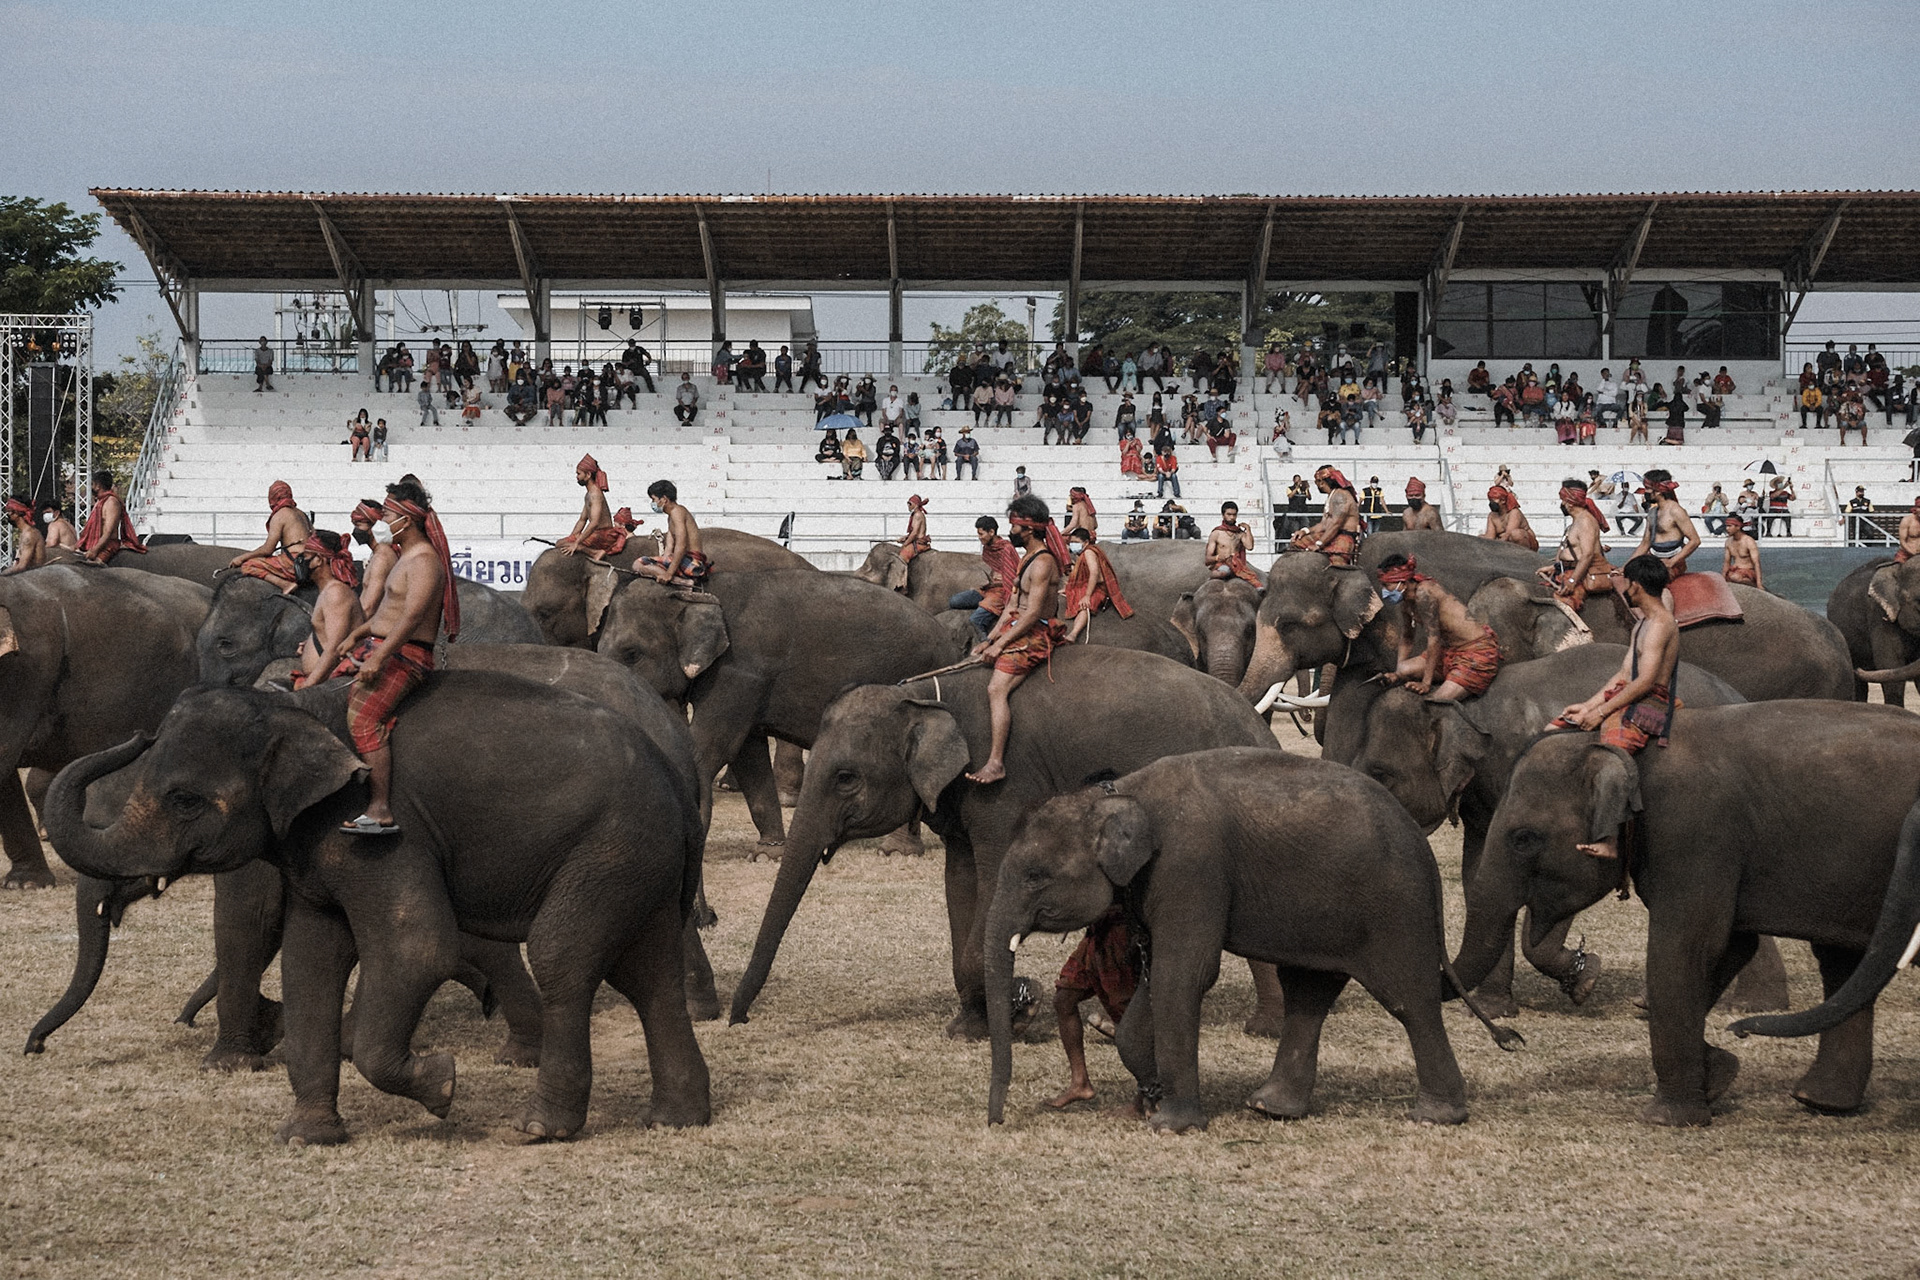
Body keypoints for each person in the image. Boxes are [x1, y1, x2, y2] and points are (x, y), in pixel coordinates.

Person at [333, 478, 459, 837]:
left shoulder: (423, 561)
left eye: (388, 514)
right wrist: (358, 635)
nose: (383, 520)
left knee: (363, 720)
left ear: (407, 518)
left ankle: (380, 808)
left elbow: (412, 617)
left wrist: (378, 657)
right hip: (386, 647)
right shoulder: (406, 557)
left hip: (405, 656)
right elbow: (390, 610)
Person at [1545, 555, 1681, 859]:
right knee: (1554, 727)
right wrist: (1587, 705)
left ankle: (1609, 839)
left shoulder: (1660, 625)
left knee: (1611, 760)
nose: (1623, 587)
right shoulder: (1642, 624)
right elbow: (1623, 674)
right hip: (1628, 692)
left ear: (1636, 585)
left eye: (1625, 581)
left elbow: (1645, 681)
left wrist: (1602, 713)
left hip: (1649, 702)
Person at [964, 495, 1066, 785]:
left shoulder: (1044, 562)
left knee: (996, 689)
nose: (1011, 532)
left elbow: (1032, 613)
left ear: (1029, 529)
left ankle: (996, 763)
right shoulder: (1026, 558)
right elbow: (1011, 605)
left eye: (1014, 527)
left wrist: (999, 645)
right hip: (1015, 625)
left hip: (1035, 632)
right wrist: (990, 639)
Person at [1044, 902, 1141, 1112]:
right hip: (1097, 933)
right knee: (1064, 999)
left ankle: (1148, 1095)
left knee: (1130, 1018)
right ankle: (1080, 1083)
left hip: (1120, 931)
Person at [1376, 555, 1501, 702]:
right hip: (1449, 652)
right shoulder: (1406, 602)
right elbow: (1407, 637)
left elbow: (1434, 640)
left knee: (1439, 699)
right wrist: (1398, 674)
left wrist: (1425, 683)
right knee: (1404, 670)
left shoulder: (1424, 593)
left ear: (1401, 582)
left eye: (1386, 585)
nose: (1383, 590)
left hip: (1476, 652)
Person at [292, 530, 365, 688]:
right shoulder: (327, 591)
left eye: (305, 555)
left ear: (318, 559)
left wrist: (307, 687)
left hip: (327, 684)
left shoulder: (336, 593)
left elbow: (334, 647)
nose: (301, 561)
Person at [1539, 479, 1613, 611]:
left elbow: (1587, 554)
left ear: (1570, 502)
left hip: (1580, 575)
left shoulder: (1585, 522)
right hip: (1567, 569)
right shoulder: (1578, 521)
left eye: (1563, 500)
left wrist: (1572, 581)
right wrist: (1553, 567)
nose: (1562, 504)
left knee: (1563, 605)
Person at [227, 481, 313, 588]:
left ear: (272, 498)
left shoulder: (280, 515)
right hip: (310, 560)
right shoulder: (302, 514)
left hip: (292, 562)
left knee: (249, 565)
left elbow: (268, 549)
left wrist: (242, 558)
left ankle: (285, 585)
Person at [947, 515, 1022, 635]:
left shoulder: (1006, 548)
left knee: (975, 620)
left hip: (1001, 592)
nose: (979, 537)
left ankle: (984, 644)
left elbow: (1012, 576)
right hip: (989, 590)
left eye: (981, 534)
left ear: (991, 532)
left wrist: (1001, 584)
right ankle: (984, 607)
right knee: (954, 601)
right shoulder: (988, 548)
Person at [557, 454, 638, 562]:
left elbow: (594, 522)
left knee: (566, 543)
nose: (577, 476)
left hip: (604, 535)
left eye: (579, 473)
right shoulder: (589, 494)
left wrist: (577, 544)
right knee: (560, 543)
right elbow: (582, 520)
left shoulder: (595, 494)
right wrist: (573, 536)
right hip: (597, 533)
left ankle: (595, 552)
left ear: (588, 474)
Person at [1061, 526, 1132, 643]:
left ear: (1086, 542)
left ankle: (1073, 634)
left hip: (1098, 588)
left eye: (1076, 542)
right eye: (1072, 542)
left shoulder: (1089, 552)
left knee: (1084, 606)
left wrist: (1087, 596)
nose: (1073, 545)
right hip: (1087, 584)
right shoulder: (1082, 554)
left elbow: (1094, 573)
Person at [635, 480, 709, 586]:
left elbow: (681, 545)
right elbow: (669, 548)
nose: (653, 503)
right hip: (682, 560)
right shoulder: (671, 516)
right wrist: (663, 563)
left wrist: (669, 573)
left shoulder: (678, 512)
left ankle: (683, 582)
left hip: (692, 563)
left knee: (639, 563)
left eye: (654, 499)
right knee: (641, 565)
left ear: (664, 499)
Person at [1633, 470, 1701, 575]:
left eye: (1647, 488)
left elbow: (1695, 541)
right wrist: (1625, 567)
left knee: (1654, 579)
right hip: (1655, 560)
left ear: (1658, 490)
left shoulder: (1676, 510)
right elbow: (1645, 544)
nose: (1644, 492)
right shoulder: (1652, 512)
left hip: (1672, 564)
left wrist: (1671, 562)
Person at [1291, 466, 1363, 565]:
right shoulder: (1332, 495)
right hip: (1330, 534)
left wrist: (1319, 544)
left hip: (1344, 537)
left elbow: (1335, 525)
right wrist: (1304, 531)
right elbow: (1324, 524)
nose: (1316, 485)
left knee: (1336, 563)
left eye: (1316, 482)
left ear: (1321, 482)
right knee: (1298, 542)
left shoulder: (1341, 495)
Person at [349, 497, 399, 615]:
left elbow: (369, 607)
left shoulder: (381, 558)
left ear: (375, 526)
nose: (355, 530)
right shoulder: (377, 553)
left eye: (359, 524)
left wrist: (353, 631)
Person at [1206, 502, 1261, 586]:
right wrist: (1217, 557)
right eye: (1229, 514)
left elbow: (1249, 546)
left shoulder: (1239, 533)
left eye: (1234, 515)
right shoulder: (1216, 533)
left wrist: (1248, 529)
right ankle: (1210, 577)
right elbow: (1208, 559)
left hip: (1237, 566)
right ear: (1223, 515)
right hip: (1222, 565)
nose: (1232, 517)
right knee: (1222, 573)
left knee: (1256, 581)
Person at [1482, 485, 1538, 552]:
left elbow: (1508, 535)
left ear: (1503, 500)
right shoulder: (1492, 516)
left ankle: (1523, 556)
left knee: (1516, 534)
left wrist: (1497, 545)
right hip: (1503, 544)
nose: (1491, 503)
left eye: (1493, 500)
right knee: (1480, 537)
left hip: (1526, 543)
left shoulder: (1514, 513)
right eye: (1490, 500)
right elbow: (1490, 537)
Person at [3, 497, 44, 573]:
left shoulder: (29, 535)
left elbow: (22, 566)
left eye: (9, 511)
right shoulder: (24, 532)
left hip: (34, 577)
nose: (8, 515)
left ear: (18, 513)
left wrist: (3, 574)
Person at [1721, 514, 1762, 587]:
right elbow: (1726, 563)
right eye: (1726, 526)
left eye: (1730, 526)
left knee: (1735, 577)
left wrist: (1759, 584)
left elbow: (1756, 563)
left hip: (1747, 574)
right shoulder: (1728, 542)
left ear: (1738, 527)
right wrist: (1723, 579)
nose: (1727, 529)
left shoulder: (1749, 541)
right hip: (1734, 572)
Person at [899, 494, 931, 562]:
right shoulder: (917, 514)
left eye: (910, 503)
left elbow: (914, 533)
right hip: (916, 542)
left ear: (915, 505)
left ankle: (904, 572)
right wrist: (905, 538)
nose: (908, 505)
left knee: (901, 557)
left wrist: (905, 544)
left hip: (919, 544)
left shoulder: (917, 515)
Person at [1896, 497, 1920, 564]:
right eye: (1919, 507)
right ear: (1915, 509)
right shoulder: (1907, 520)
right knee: (1897, 569)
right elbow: (1902, 541)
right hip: (1906, 554)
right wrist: (1913, 553)